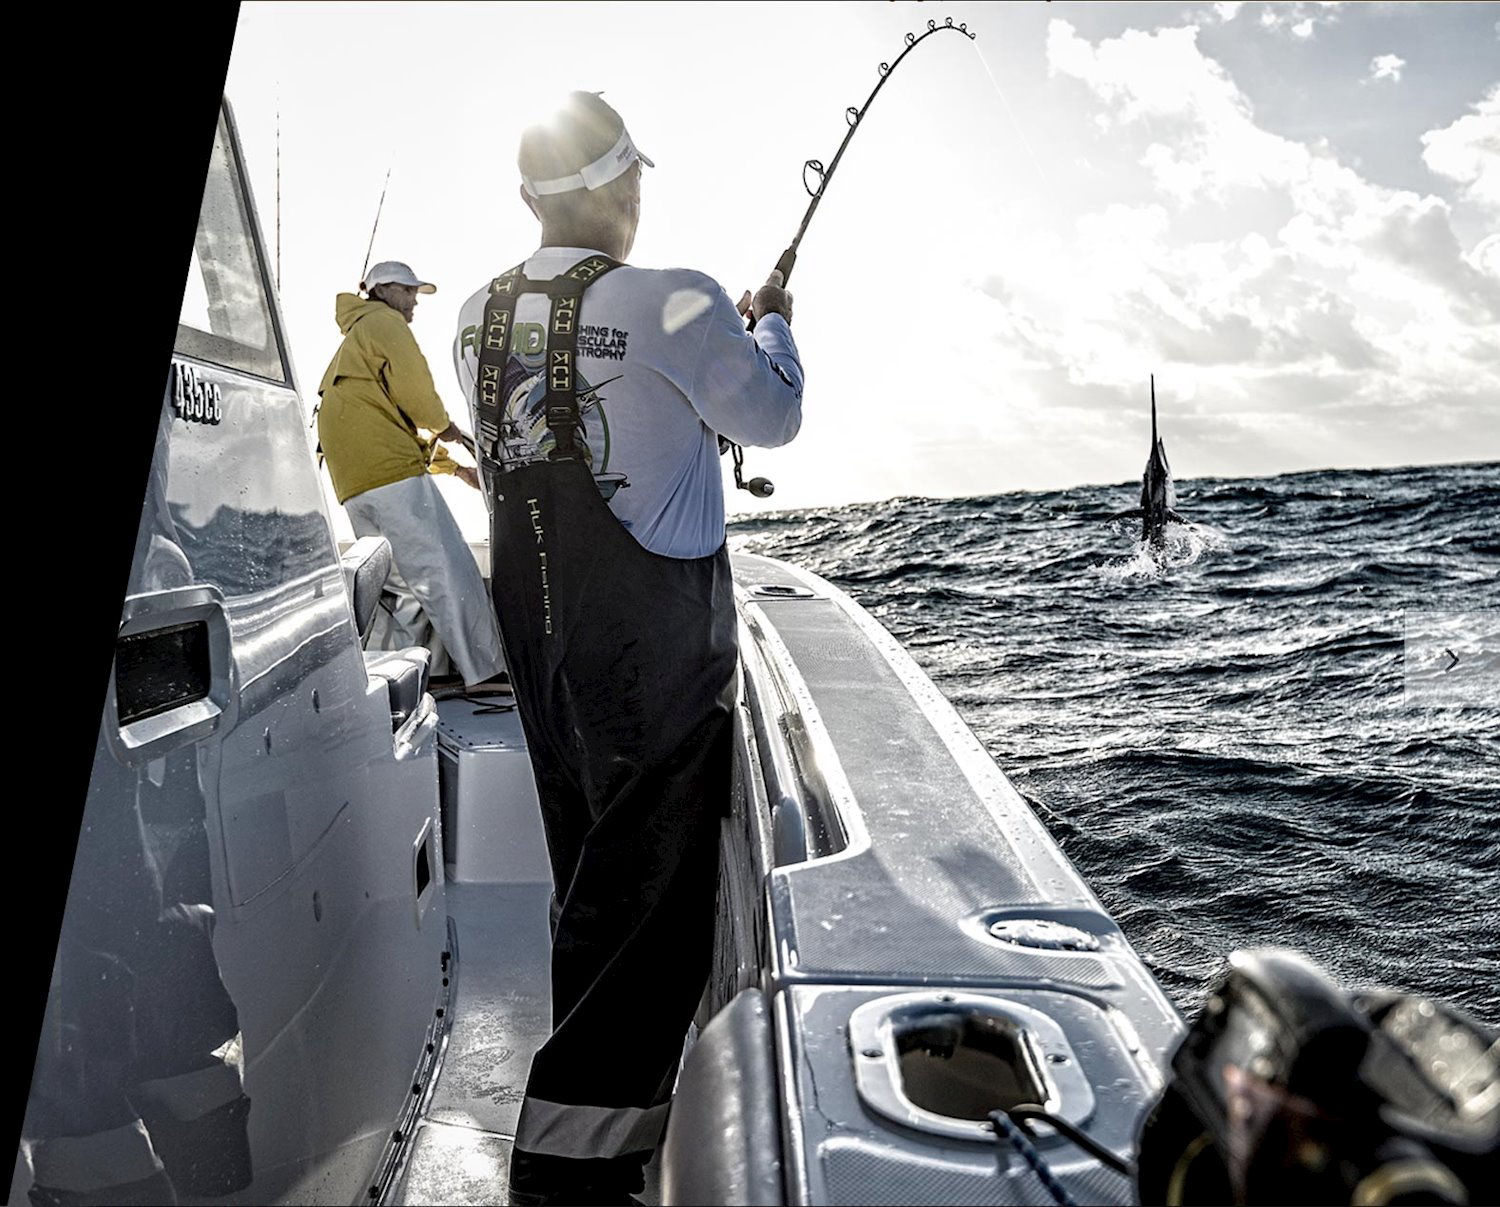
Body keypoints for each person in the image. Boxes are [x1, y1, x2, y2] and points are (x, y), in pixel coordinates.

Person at [452, 92, 803, 1205]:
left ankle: (597, 1151)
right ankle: (565, 1178)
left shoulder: (472, 310)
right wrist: (773, 324)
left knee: (590, 890)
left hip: (542, 645)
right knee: (645, 932)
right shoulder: (680, 297)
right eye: (635, 180)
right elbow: (774, 416)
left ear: (528, 199)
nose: (642, 199)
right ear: (614, 188)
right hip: (653, 653)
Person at [318, 261, 506, 687]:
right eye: (409, 291)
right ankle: (489, 673)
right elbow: (416, 393)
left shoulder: (356, 338)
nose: (415, 301)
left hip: (355, 485)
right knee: (448, 573)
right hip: (390, 478)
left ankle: (423, 679)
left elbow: (384, 422)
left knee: (401, 591)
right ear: (383, 290)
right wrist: (448, 428)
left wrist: (456, 469)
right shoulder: (384, 323)